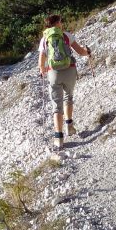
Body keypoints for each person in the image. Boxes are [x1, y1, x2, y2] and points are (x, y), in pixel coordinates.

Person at [38, 14, 91, 150]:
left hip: (53, 73)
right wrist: (88, 52)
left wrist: (43, 70)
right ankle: (69, 126)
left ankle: (58, 138)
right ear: (58, 23)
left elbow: (41, 61)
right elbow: (80, 52)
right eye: (61, 22)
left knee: (57, 106)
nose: (62, 24)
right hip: (69, 70)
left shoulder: (45, 39)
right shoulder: (66, 35)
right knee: (69, 97)